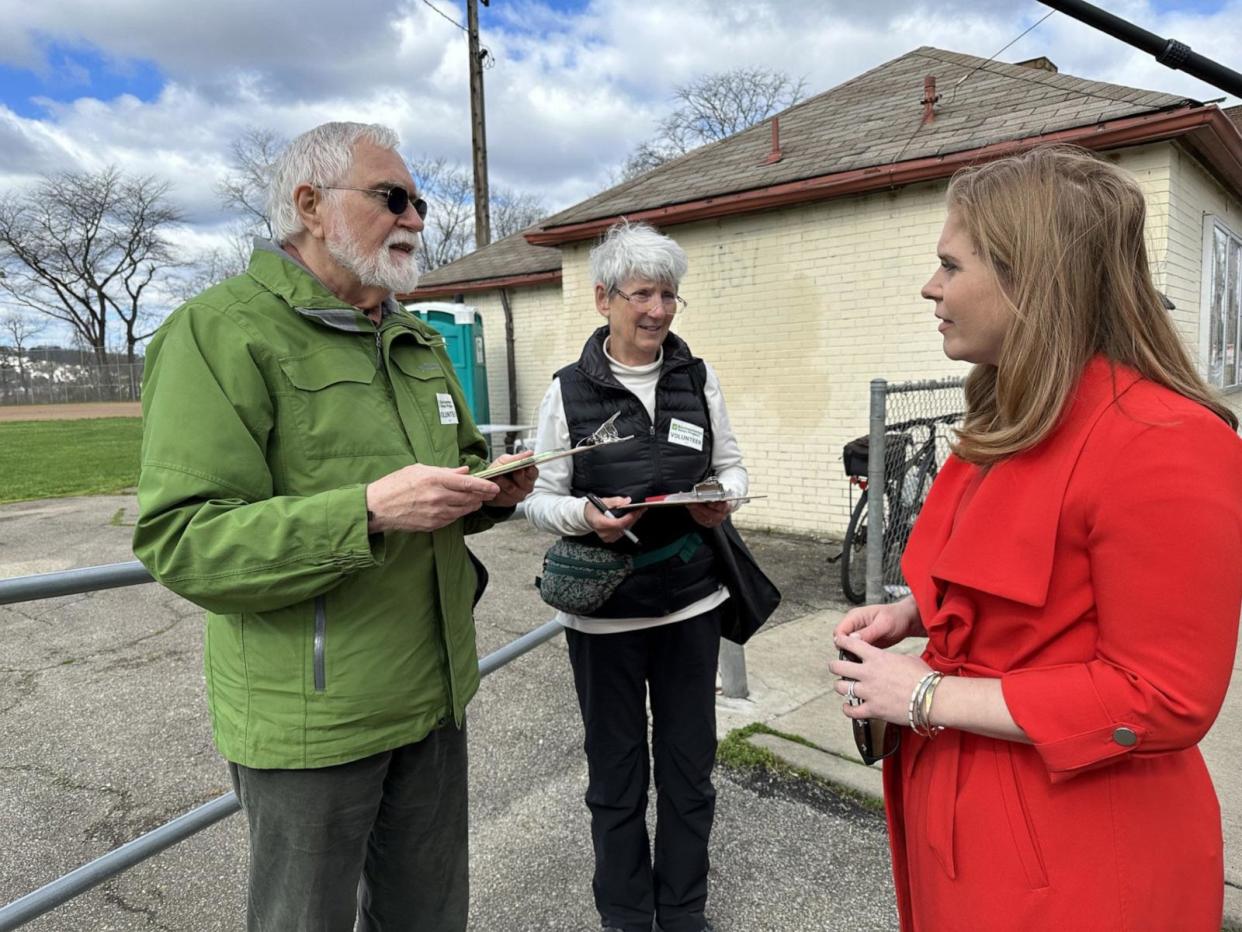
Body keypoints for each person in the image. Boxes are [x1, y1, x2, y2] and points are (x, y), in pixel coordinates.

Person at [132, 121, 536, 932]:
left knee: (430, 918)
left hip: (435, 695)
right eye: (394, 198)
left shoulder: (413, 338)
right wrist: (367, 511)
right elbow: (185, 540)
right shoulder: (220, 333)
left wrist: (490, 492)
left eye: (419, 201)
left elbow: (448, 472)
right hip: (315, 722)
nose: (417, 219)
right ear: (311, 205)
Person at [828, 145, 1242, 931]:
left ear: (1030, 279)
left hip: (1075, 846)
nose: (931, 287)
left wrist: (922, 692)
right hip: (966, 812)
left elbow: (1164, 697)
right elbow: (1022, 580)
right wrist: (915, 615)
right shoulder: (1009, 416)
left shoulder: (1163, 439)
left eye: (950, 265)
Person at [524, 221, 747, 932]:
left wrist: (723, 498)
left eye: (669, 295)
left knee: (689, 774)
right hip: (605, 617)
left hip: (690, 605)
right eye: (642, 293)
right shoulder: (568, 391)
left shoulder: (697, 377)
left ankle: (683, 913)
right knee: (616, 778)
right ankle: (625, 915)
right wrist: (586, 517)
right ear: (603, 300)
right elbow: (536, 495)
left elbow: (733, 465)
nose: (656, 309)